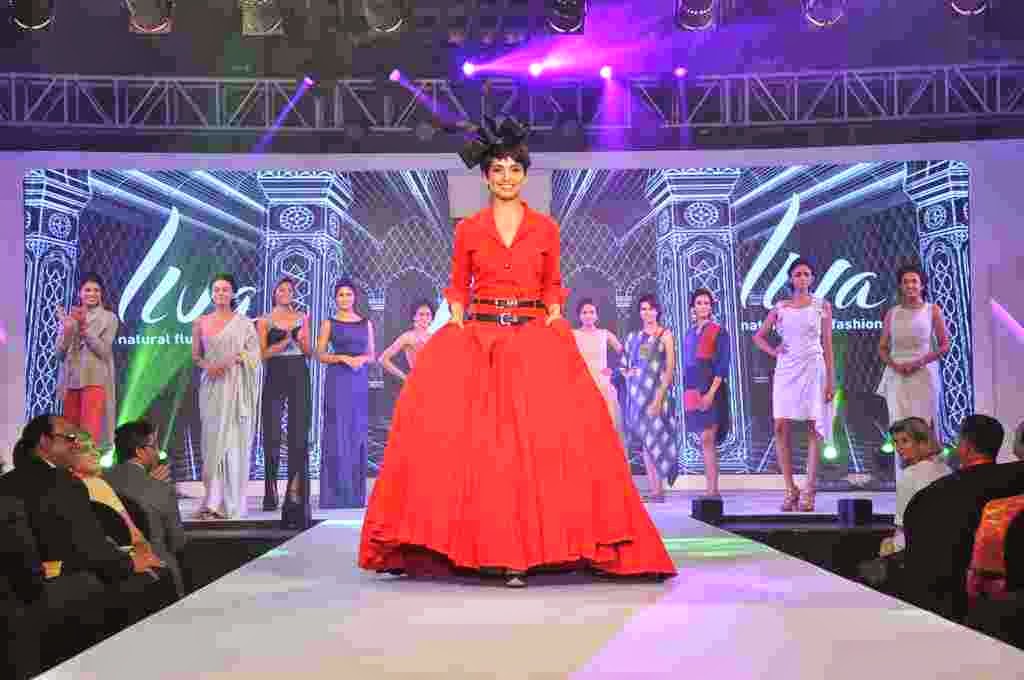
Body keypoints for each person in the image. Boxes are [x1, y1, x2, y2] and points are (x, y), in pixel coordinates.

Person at [358, 117, 676, 586]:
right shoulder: (470, 229)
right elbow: (457, 285)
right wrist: (458, 321)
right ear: (486, 177)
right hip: (480, 341)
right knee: (478, 446)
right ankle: (480, 548)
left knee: (548, 444)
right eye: (498, 170)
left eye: (514, 169)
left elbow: (552, 285)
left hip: (533, 338)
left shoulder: (545, 228)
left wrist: (554, 316)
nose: (506, 177)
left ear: (524, 176)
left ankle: (542, 548)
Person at [0, 416, 169, 643]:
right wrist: (130, 563)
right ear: (44, 442)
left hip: (13, 598)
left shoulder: (7, 482)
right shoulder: (63, 482)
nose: (76, 444)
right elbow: (90, 547)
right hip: (52, 595)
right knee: (152, 580)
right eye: (69, 438)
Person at [902, 414, 1024, 621]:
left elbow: (921, 566)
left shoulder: (930, 497)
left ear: (965, 447)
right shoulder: (1015, 478)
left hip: (954, 608)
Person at [753, 259, 835, 512]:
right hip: (787, 370)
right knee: (780, 426)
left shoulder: (822, 306)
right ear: (790, 278)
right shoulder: (780, 307)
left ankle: (809, 489)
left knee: (813, 425)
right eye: (797, 274)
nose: (802, 278)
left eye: (806, 274)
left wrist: (831, 380)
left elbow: (828, 345)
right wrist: (774, 351)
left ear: (812, 278)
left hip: (813, 367)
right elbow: (758, 336)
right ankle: (790, 489)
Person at [191, 273, 260, 520]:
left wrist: (237, 358)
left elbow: (255, 356)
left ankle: (231, 503)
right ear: (212, 294)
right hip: (212, 386)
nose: (221, 293)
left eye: (225, 289)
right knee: (212, 442)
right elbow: (196, 356)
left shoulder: (244, 323)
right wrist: (208, 367)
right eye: (217, 289)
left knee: (232, 442)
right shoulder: (200, 322)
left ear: (233, 293)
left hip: (237, 387)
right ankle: (212, 500)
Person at [877, 263, 950, 479]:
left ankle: (928, 479)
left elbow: (944, 345)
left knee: (922, 427)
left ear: (922, 285)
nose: (910, 285)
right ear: (900, 286)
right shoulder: (892, 313)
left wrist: (920, 362)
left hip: (923, 375)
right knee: (899, 428)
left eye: (914, 281)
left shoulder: (932, 310)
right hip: (897, 377)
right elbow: (882, 348)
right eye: (905, 282)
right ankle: (905, 480)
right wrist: (895, 365)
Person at [105, 420, 187, 597]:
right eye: (154, 446)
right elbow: (177, 542)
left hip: (109, 576)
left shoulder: (99, 481)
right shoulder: (161, 489)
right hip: (158, 574)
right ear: (139, 451)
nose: (158, 453)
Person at [257, 278, 313, 527]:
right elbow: (262, 354)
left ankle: (295, 491)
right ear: (274, 293)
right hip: (276, 371)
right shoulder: (264, 320)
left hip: (299, 371)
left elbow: (309, 352)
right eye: (281, 289)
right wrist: (283, 343)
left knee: (298, 432)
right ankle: (270, 492)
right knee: (271, 431)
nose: (285, 293)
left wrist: (300, 341)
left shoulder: (302, 317)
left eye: (289, 290)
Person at [317, 279, 374, 509]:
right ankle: (334, 495)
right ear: (335, 298)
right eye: (341, 294)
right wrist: (342, 358)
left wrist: (361, 359)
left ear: (355, 297)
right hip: (338, 380)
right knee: (337, 431)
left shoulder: (366, 323)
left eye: (348, 294)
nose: (345, 298)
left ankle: (355, 496)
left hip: (358, 381)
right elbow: (320, 354)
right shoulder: (328, 323)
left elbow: (372, 354)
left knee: (356, 432)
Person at [622, 294, 677, 503]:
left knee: (660, 438)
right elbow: (626, 364)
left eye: (651, 308)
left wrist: (659, 398)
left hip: (658, 395)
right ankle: (655, 491)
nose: (647, 312)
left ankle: (659, 489)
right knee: (646, 442)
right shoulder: (634, 337)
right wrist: (630, 374)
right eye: (643, 309)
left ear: (657, 311)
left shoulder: (665, 334)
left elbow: (670, 368)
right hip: (639, 396)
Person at [55, 272, 118, 448]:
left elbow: (104, 351)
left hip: (95, 381)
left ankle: (88, 466)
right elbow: (59, 354)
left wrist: (84, 329)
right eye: (87, 290)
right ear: (79, 293)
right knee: (70, 437)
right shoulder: (70, 318)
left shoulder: (109, 318)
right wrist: (67, 330)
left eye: (96, 290)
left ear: (101, 294)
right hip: (71, 382)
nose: (92, 294)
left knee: (88, 439)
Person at [682, 288, 732, 498]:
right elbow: (688, 365)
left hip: (713, 389)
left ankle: (713, 491)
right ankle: (710, 490)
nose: (703, 306)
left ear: (711, 307)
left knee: (708, 438)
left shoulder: (719, 331)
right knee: (703, 439)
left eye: (706, 303)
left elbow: (722, 365)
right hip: (692, 389)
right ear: (693, 307)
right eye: (699, 303)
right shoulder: (689, 333)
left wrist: (711, 393)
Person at [878, 417, 951, 556]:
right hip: (947, 546)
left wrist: (890, 548)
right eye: (895, 442)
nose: (899, 447)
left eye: (905, 441)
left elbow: (902, 526)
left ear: (922, 442)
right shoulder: (947, 470)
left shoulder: (909, 474)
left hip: (916, 548)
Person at [572, 299, 624, 441]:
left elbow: (623, 353)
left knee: (606, 429)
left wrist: (613, 370)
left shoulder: (604, 334)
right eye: (584, 313)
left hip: (603, 387)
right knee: (584, 428)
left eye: (591, 312)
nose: (588, 316)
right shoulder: (573, 334)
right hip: (581, 386)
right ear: (579, 316)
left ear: (596, 315)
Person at [379, 299, 434, 382]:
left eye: (428, 315)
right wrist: (405, 378)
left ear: (432, 317)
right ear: (414, 317)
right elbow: (383, 359)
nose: (425, 318)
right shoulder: (408, 337)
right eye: (421, 314)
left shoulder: (434, 336)